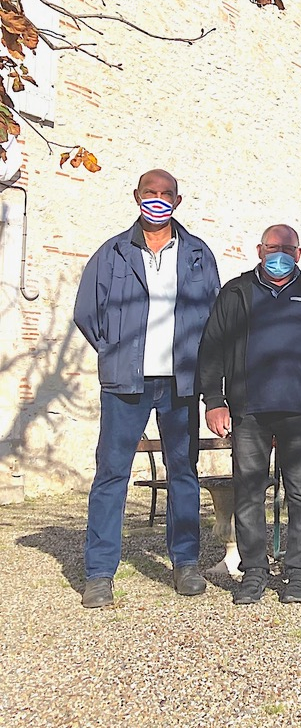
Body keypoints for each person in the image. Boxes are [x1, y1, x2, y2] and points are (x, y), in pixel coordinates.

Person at [73, 169, 221, 609]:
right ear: (136, 197)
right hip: (126, 384)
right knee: (111, 475)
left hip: (181, 383)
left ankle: (186, 563)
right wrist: (114, 350)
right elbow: (87, 312)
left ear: (178, 200)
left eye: (166, 194)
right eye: (150, 193)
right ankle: (99, 573)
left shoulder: (197, 254)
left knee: (184, 473)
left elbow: (214, 316)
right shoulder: (112, 253)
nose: (157, 200)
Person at [198, 224, 301, 605]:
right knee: (248, 493)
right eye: (272, 247)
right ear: (260, 250)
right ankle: (253, 573)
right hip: (248, 411)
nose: (279, 255)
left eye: (287, 249)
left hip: (300, 411)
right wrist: (214, 400)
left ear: (299, 254)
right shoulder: (236, 293)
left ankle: (299, 572)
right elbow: (212, 348)